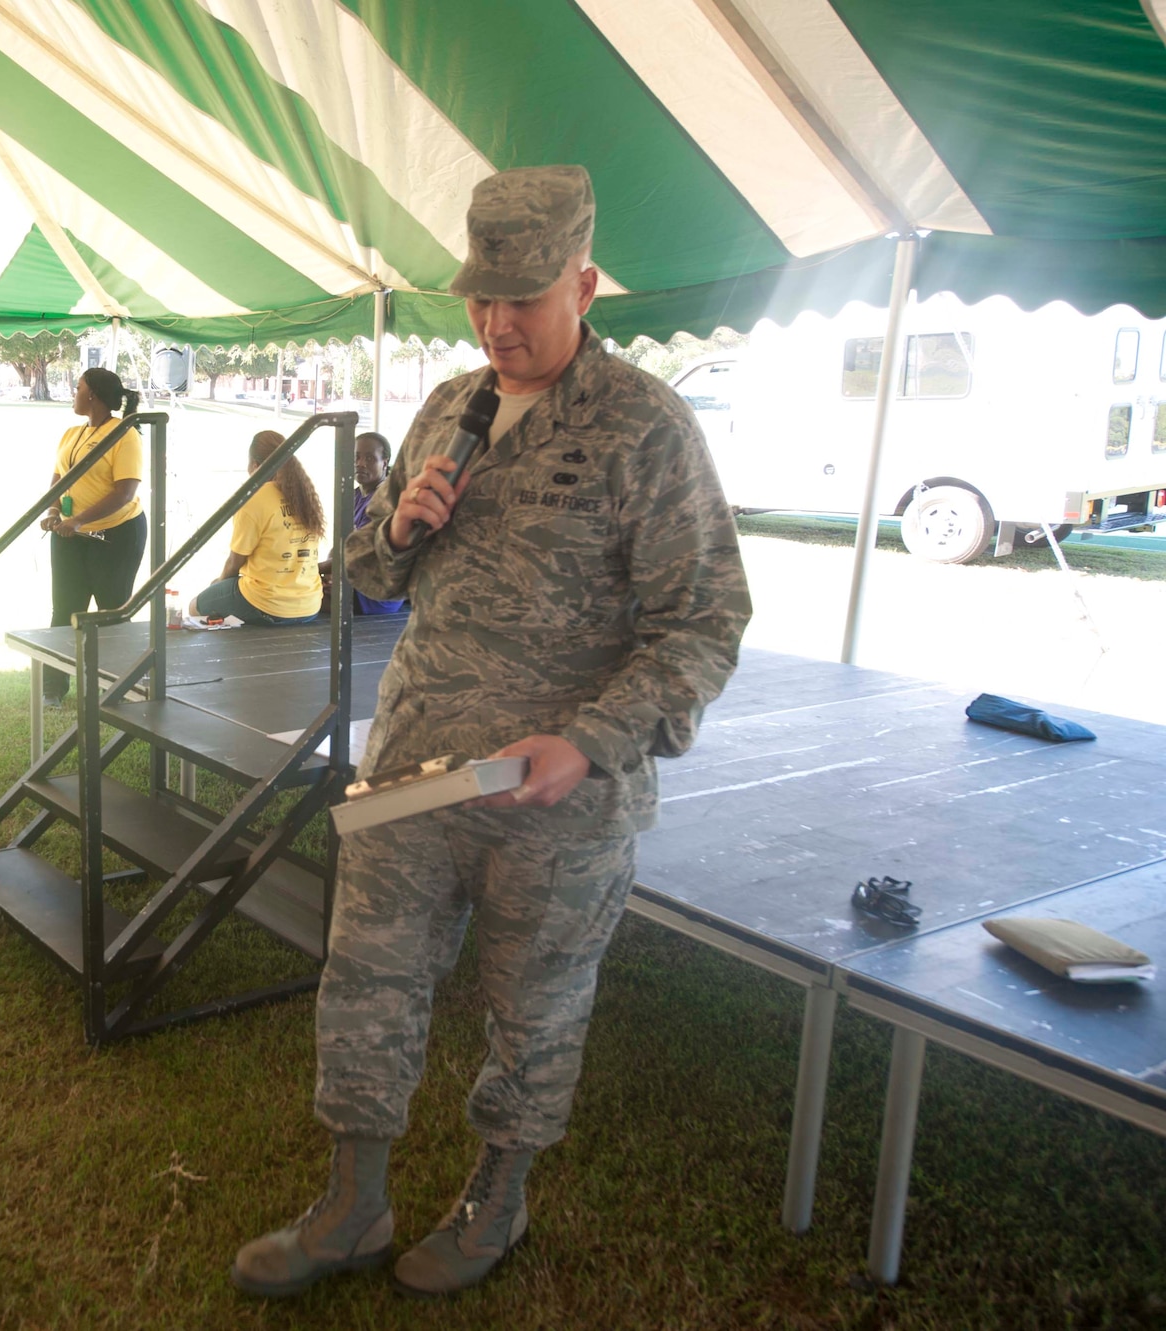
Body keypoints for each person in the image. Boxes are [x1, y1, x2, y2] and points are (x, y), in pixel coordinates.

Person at [231, 166, 752, 1300]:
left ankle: (493, 1200)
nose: (497, 325)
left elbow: (703, 621)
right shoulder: (448, 406)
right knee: (364, 978)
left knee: (532, 1008)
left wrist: (593, 739)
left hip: (550, 797)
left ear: (583, 282)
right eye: (480, 299)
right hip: (414, 772)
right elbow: (362, 567)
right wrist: (396, 527)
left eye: (522, 299)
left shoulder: (645, 428)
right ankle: (352, 1201)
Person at [39, 366, 145, 703]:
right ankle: (53, 689)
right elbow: (59, 478)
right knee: (64, 611)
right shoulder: (72, 433)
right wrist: (54, 511)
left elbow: (124, 493)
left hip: (117, 536)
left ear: (93, 395)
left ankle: (115, 688)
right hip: (70, 534)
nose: (74, 392)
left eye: (78, 387)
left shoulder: (124, 434)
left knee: (111, 613)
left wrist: (80, 520)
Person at [190, 429, 324, 626]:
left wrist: (220, 584)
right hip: (309, 605)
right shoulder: (305, 495)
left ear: (254, 465)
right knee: (221, 592)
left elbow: (234, 562)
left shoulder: (253, 498)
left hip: (267, 604)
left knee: (196, 606)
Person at [320, 431, 406, 617]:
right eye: (356, 457)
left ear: (385, 462)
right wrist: (330, 573)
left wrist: (313, 570)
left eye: (369, 458)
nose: (360, 463)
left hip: (376, 592)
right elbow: (342, 544)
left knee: (296, 598)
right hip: (353, 580)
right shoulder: (354, 495)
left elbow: (367, 555)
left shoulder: (385, 501)